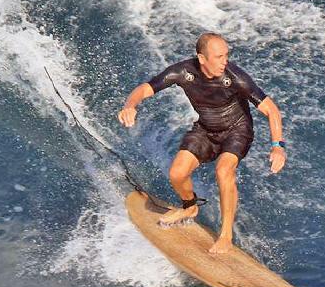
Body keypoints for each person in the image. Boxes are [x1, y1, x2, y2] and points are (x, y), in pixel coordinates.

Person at [117, 32, 287, 254]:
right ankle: (189, 207)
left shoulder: (235, 77)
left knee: (224, 171)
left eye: (226, 55)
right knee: (177, 173)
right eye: (218, 57)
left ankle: (226, 235)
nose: (224, 61)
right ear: (202, 58)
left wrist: (278, 146)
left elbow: (271, 110)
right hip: (206, 129)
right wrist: (130, 105)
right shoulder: (183, 72)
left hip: (237, 131)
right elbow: (145, 88)